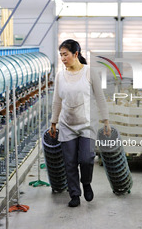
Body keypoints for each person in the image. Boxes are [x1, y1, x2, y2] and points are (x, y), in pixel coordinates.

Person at [49, 39, 111, 207]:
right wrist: (53, 122)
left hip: (87, 125)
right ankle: (74, 194)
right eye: (60, 55)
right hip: (67, 124)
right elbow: (57, 101)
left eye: (65, 54)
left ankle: (86, 183)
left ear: (75, 54)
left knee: (86, 159)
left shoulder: (90, 73)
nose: (62, 58)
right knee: (69, 163)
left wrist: (106, 121)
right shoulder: (60, 75)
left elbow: (99, 97)